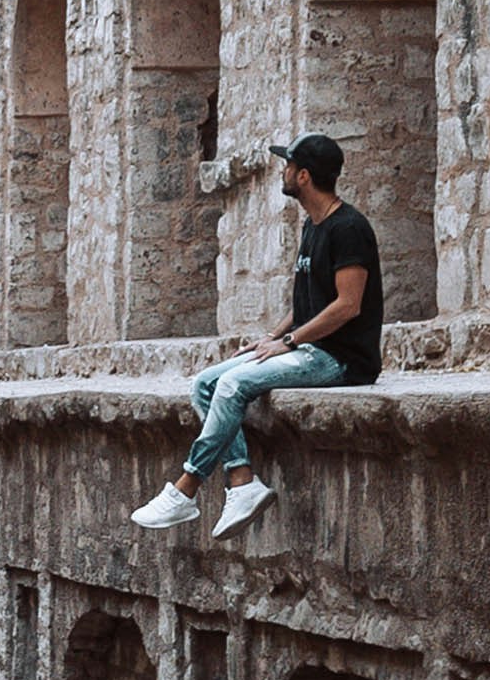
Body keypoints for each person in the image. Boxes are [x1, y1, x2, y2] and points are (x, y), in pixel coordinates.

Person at [134, 131, 379, 541]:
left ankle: (186, 487)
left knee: (232, 385)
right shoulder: (313, 226)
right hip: (308, 347)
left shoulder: (349, 227)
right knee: (207, 384)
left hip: (341, 359)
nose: (281, 172)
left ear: (303, 176)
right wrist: (273, 337)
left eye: (287, 166)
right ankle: (243, 481)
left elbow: (347, 305)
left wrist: (290, 342)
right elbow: (310, 301)